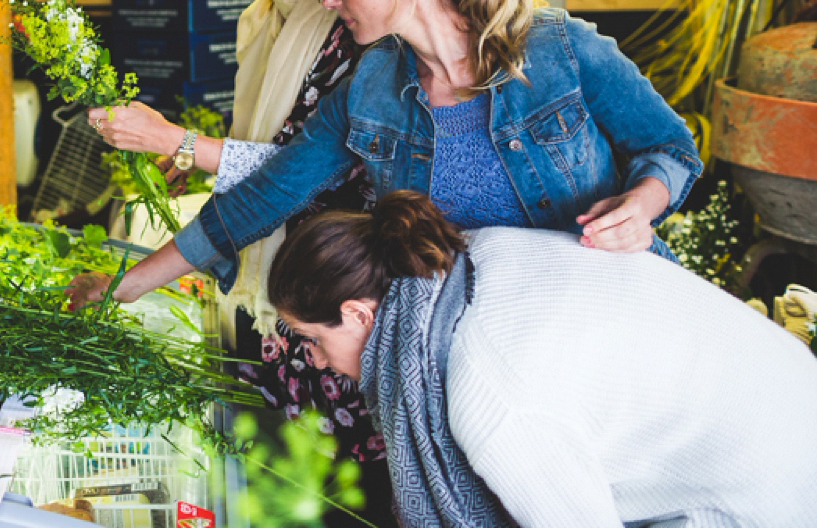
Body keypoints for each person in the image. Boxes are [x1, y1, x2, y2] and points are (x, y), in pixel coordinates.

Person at [77, 0, 701, 341]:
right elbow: (263, 197)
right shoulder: (372, 87)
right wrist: (126, 287)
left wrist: (641, 205)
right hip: (491, 347)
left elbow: (670, 150)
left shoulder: (560, 49)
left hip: (617, 320)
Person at [92, 0, 391, 507]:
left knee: (343, 497)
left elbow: (311, 172)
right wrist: (198, 159)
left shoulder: (359, 30)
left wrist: (180, 143)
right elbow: (273, 143)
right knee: (288, 488)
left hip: (333, 297)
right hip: (280, 294)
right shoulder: (272, 10)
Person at [265, 190, 817, 527]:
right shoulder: (472, 256)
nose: (312, 360)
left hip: (774, 496)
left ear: (360, 314)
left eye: (310, 338)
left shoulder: (490, 392)